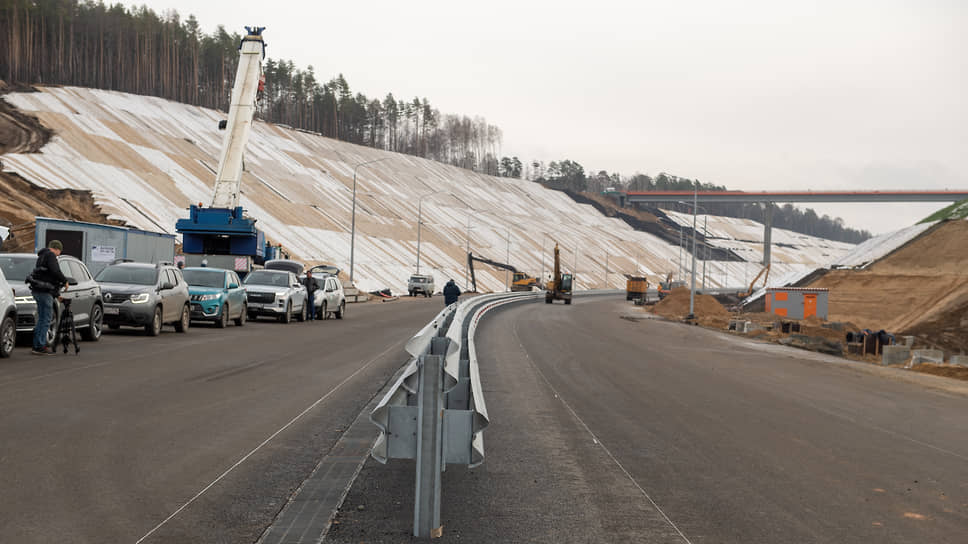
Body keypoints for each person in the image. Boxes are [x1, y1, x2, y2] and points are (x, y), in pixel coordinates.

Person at [29, 240, 68, 356]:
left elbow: (46, 278)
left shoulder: (41, 257)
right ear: (56, 249)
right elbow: (55, 272)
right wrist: (65, 281)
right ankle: (40, 346)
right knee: (46, 319)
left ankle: (36, 345)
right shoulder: (50, 256)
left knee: (41, 319)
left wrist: (57, 295)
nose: (59, 254)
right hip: (44, 293)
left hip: (38, 291)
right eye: (59, 251)